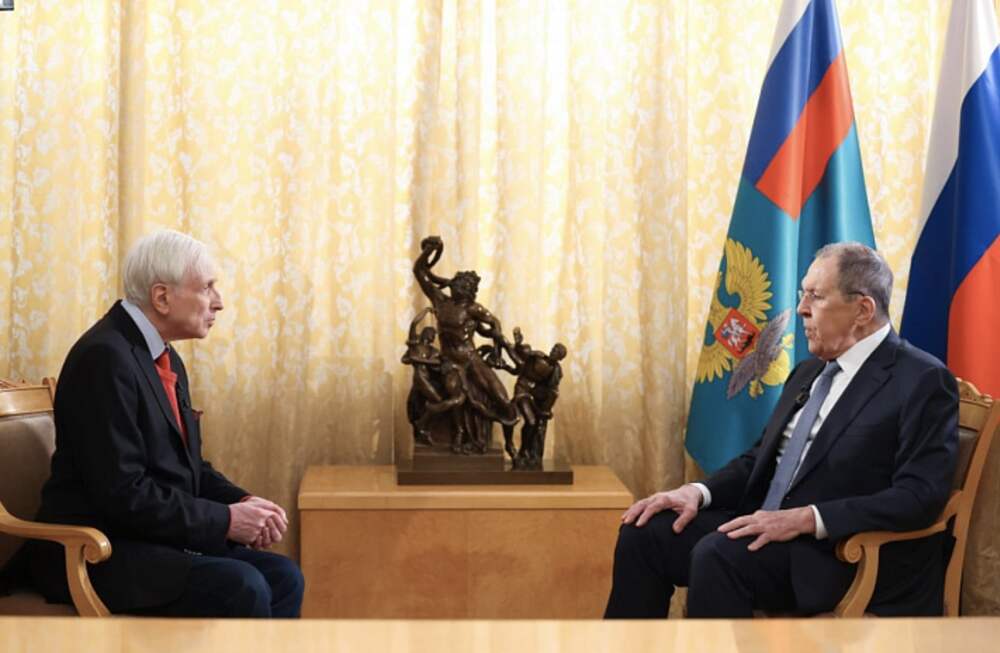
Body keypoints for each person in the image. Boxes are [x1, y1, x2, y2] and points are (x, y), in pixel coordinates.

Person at [605, 242, 958, 618]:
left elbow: (920, 496)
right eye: (803, 294)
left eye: (815, 296)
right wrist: (696, 492)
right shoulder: (808, 371)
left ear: (863, 310)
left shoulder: (922, 380)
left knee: (718, 555)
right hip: (771, 526)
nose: (801, 308)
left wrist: (807, 518)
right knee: (645, 532)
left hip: (841, 552)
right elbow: (760, 460)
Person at [28, 229, 304, 618]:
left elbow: (188, 468)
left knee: (284, 576)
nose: (219, 302)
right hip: (98, 551)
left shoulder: (165, 357)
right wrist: (225, 521)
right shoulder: (104, 358)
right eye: (207, 287)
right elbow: (122, 493)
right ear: (162, 297)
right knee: (242, 585)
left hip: (150, 540)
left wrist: (241, 503)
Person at [413, 236, 517, 453]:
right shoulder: (441, 301)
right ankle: (459, 434)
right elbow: (419, 272)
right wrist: (429, 251)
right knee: (455, 396)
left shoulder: (473, 308)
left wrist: (497, 348)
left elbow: (494, 322)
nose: (460, 288)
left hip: (471, 358)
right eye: (459, 283)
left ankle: (511, 443)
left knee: (501, 396)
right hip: (450, 361)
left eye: (466, 286)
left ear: (470, 291)